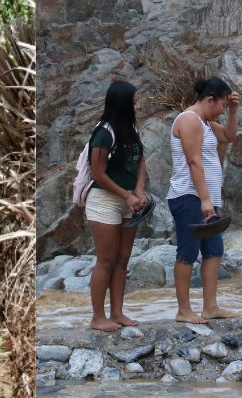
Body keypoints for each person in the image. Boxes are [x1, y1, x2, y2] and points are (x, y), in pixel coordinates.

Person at [168, 77, 240, 323]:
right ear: (210, 99)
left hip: (204, 198)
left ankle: (210, 306)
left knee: (214, 250)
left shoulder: (206, 122)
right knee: (187, 252)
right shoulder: (189, 120)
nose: (222, 109)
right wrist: (205, 199)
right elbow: (193, 161)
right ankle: (183, 310)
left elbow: (230, 137)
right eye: (221, 104)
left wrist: (233, 112)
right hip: (189, 196)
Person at [85, 81, 147, 331]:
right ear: (123, 103)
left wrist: (139, 190)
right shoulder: (103, 132)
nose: (138, 105)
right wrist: (126, 195)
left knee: (123, 259)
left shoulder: (130, 127)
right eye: (134, 101)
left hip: (128, 199)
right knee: (106, 260)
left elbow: (140, 159)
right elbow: (98, 173)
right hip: (104, 201)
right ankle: (97, 317)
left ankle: (118, 312)